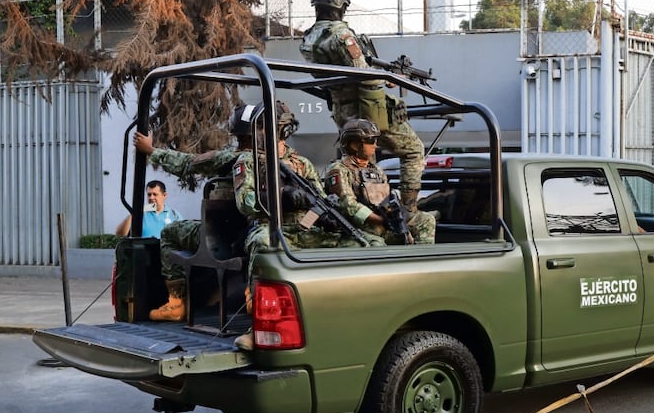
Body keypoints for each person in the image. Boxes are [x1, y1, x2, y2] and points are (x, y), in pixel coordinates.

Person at [136, 101, 379, 323]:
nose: (245, 141)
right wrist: (284, 199)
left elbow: (320, 201)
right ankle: (188, 305)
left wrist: (326, 217)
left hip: (300, 229)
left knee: (369, 243)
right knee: (261, 240)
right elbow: (246, 202)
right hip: (259, 228)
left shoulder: (301, 164)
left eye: (246, 136)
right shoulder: (246, 160)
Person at [299, 0, 426, 213]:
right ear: (341, 6)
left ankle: (369, 208)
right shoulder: (342, 36)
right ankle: (409, 210)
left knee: (364, 162)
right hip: (366, 111)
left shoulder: (309, 39)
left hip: (342, 112)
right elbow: (363, 74)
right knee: (414, 150)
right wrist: (390, 78)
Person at [324, 119, 436, 245]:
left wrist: (396, 217)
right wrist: (380, 220)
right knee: (376, 243)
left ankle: (420, 261)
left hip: (385, 225)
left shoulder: (376, 170)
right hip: (359, 227)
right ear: (355, 145)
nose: (375, 145)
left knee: (425, 220)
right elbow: (347, 204)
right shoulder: (339, 170)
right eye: (371, 141)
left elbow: (387, 198)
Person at [114, 179, 181, 238]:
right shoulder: (140, 214)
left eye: (155, 194)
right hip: (143, 252)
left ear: (164, 195)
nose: (151, 198)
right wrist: (134, 212)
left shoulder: (175, 215)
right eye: (149, 194)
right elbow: (120, 234)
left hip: (166, 252)